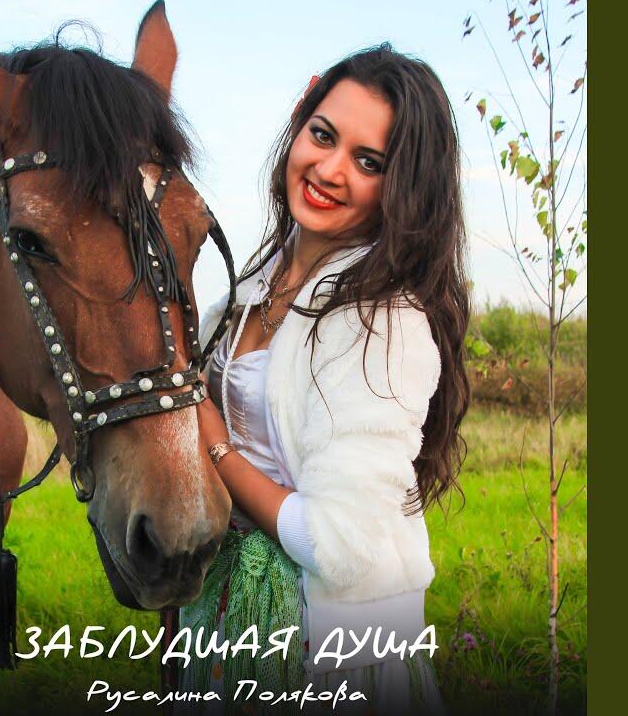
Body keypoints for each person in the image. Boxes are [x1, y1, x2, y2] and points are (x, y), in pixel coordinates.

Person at [179, 44, 471, 715]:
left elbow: (335, 545)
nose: (330, 170)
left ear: (403, 188)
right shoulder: (252, 288)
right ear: (298, 123)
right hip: (233, 633)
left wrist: (215, 447)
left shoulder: (382, 323)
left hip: (335, 657)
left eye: (369, 162)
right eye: (323, 135)